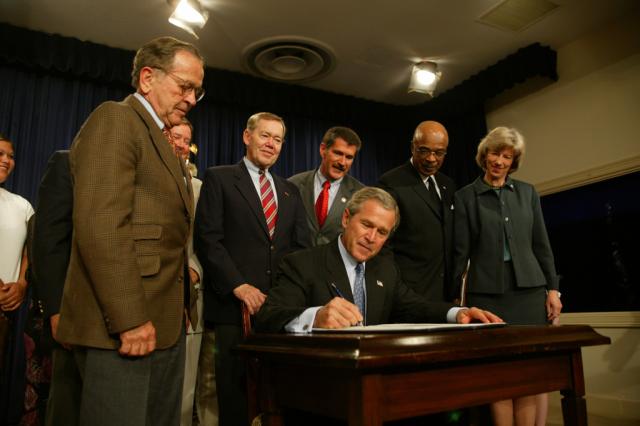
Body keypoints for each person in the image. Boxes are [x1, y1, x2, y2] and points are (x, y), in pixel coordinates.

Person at [54, 36, 204, 426]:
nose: (190, 98)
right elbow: (101, 226)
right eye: (184, 86)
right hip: (122, 329)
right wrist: (129, 318)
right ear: (147, 78)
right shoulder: (116, 119)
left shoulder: (159, 136)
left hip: (162, 326)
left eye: (197, 91)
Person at [195, 112, 310, 425]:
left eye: (277, 139)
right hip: (233, 308)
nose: (271, 144)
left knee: (275, 398)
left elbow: (299, 249)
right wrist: (240, 286)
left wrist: (287, 296)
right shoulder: (219, 178)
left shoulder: (290, 191)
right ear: (247, 137)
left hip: (277, 313)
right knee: (233, 400)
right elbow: (208, 240)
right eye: (265, 136)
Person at [255, 187, 502, 333]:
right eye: (366, 225)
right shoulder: (302, 263)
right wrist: (315, 317)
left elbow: (416, 306)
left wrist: (459, 313)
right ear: (346, 219)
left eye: (382, 232)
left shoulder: (384, 268)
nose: (371, 237)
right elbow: (268, 317)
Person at [452, 126, 562, 426]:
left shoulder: (527, 193)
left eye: (506, 156)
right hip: (488, 297)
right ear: (483, 155)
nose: (498, 161)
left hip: (530, 294)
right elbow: (460, 253)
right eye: (494, 153)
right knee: (500, 377)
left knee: (531, 376)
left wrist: (553, 290)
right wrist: (451, 302)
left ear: (513, 161)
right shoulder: (465, 197)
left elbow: (542, 244)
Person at [378, 120, 456, 303]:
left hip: (444, 293)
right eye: (424, 150)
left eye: (439, 153)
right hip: (408, 292)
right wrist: (395, 286)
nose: (431, 158)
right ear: (413, 147)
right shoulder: (391, 182)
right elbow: (384, 244)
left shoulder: (448, 185)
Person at [31, 150, 82, 426]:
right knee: (67, 404)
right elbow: (49, 242)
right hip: (72, 312)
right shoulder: (68, 162)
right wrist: (56, 309)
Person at [166, 119, 212, 426]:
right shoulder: (138, 177)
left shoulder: (200, 189)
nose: (181, 144)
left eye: (186, 140)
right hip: (149, 292)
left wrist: (193, 272)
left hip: (189, 294)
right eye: (175, 137)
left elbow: (207, 239)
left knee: (185, 385)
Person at [0, 134, 35, 425]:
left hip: (4, 313)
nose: (6, 160)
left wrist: (22, 284)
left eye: (10, 156)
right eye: (0, 153)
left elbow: (31, 250)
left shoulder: (21, 205)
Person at [289, 126, 364, 246]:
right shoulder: (294, 184)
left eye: (349, 157)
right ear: (323, 149)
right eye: (338, 153)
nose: (342, 163)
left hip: (335, 263)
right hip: (297, 261)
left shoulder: (361, 194)